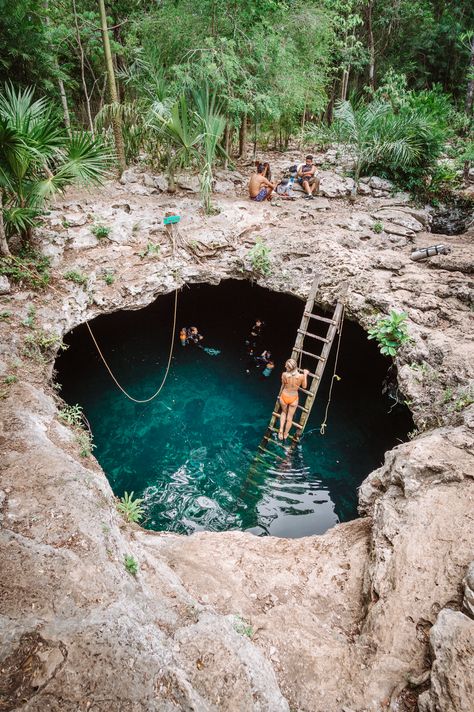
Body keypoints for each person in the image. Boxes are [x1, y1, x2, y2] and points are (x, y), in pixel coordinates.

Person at [278, 359, 308, 440]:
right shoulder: (301, 376)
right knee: (290, 417)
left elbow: (283, 384)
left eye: (286, 366)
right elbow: (304, 386)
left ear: (290, 368)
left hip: (284, 396)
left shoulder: (284, 374)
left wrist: (280, 394)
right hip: (293, 398)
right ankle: (285, 434)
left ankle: (280, 430)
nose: (285, 367)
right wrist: (305, 374)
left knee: (284, 413)